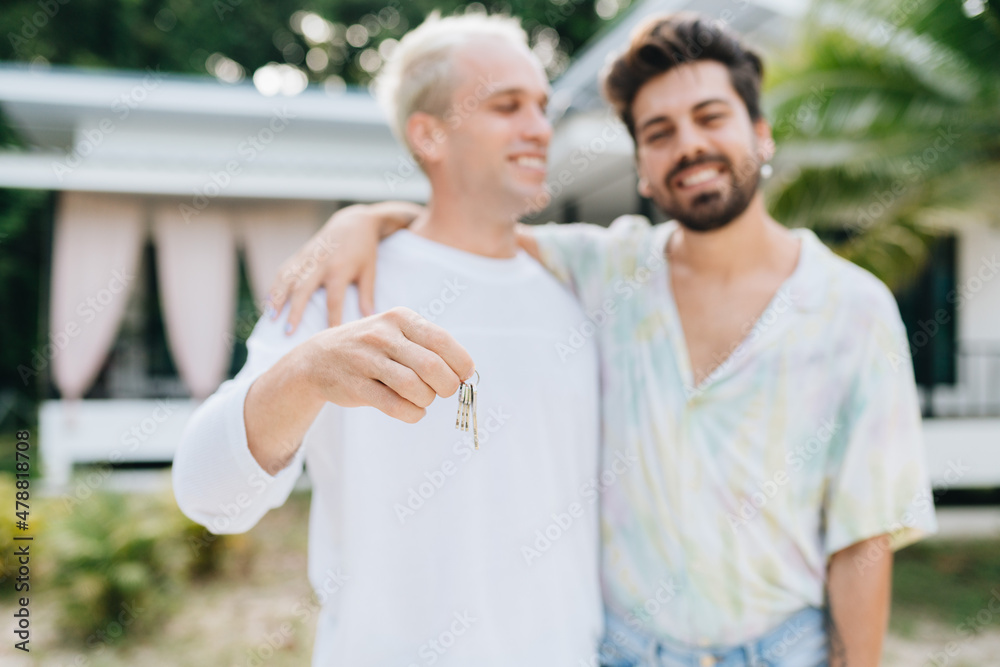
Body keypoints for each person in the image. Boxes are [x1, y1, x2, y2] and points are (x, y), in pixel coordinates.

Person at [268, 12, 937, 667]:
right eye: (659, 132)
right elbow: (470, 222)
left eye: (710, 118)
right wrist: (366, 219)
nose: (689, 146)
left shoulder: (853, 310)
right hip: (622, 652)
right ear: (642, 167)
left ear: (760, 135)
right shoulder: (608, 271)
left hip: (785, 650)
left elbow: (864, 536)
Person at [172, 13, 606, 666]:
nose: (540, 128)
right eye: (507, 106)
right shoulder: (340, 287)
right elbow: (208, 494)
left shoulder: (579, 290)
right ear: (429, 134)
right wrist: (305, 372)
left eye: (542, 107)